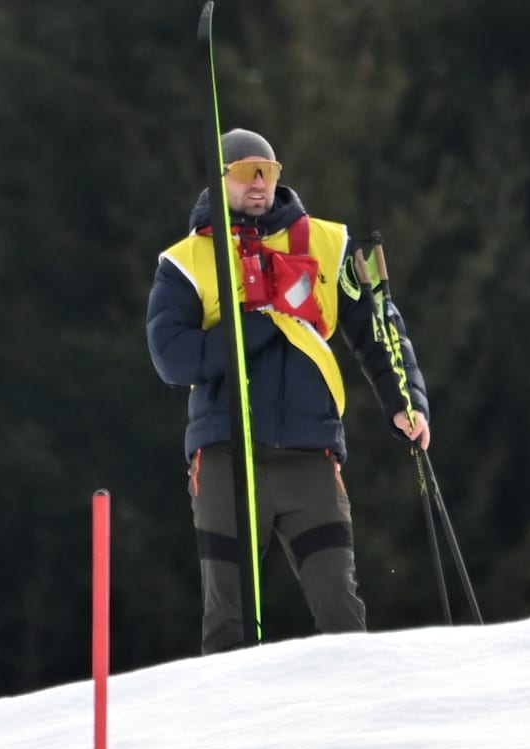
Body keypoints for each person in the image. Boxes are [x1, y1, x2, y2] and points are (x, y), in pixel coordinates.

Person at [147, 128, 433, 653]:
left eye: (269, 172)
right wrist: (257, 323)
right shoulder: (185, 261)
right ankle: (237, 729)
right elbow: (171, 358)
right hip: (227, 458)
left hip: (310, 455)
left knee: (341, 613)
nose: (260, 185)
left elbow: (380, 326)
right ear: (220, 179)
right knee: (228, 623)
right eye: (245, 173)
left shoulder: (333, 243)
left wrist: (405, 400)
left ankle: (358, 722)